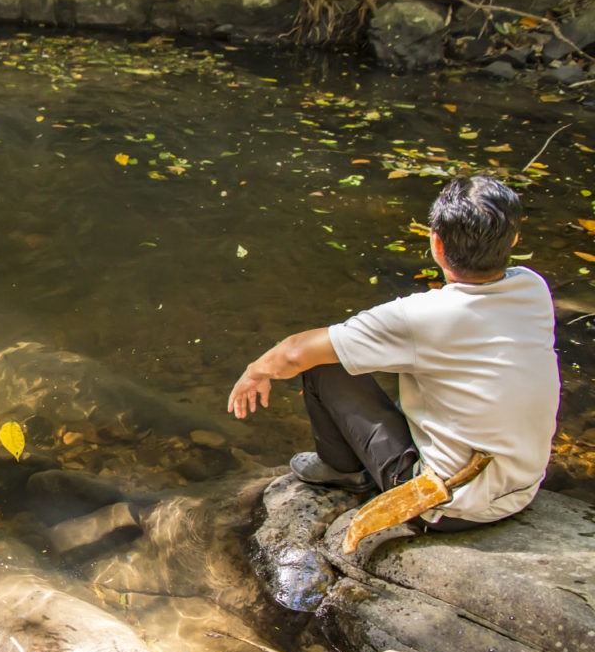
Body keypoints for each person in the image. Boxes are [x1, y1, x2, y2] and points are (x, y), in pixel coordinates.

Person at [227, 175, 559, 531]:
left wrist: (255, 371)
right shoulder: (533, 288)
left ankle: (343, 471)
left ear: (436, 244)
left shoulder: (420, 316)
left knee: (325, 364)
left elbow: (295, 353)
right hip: (522, 488)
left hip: (445, 506)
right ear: (514, 240)